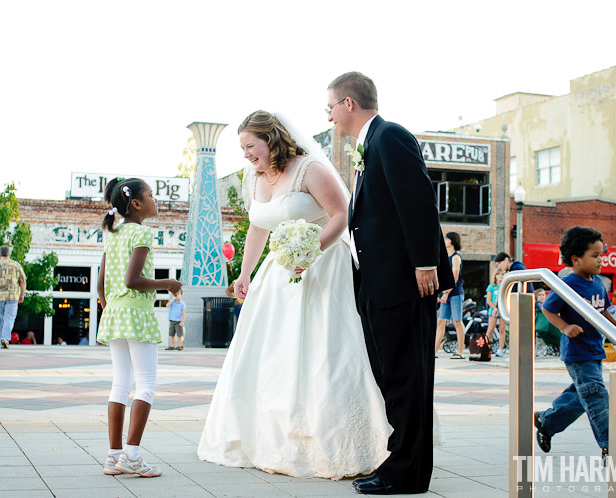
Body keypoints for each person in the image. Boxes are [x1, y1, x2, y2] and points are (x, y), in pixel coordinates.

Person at [198, 110, 403, 480]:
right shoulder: (254, 176)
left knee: (325, 353)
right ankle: (271, 439)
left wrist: (312, 251)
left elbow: (342, 214)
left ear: (271, 138)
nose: (246, 154)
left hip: (323, 267)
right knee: (274, 355)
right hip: (277, 276)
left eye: (250, 146)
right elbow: (259, 226)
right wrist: (244, 273)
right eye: (242, 148)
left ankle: (342, 442)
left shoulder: (310, 169)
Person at [327, 72, 455, 495]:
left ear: (348, 103)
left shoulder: (390, 136)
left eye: (330, 106)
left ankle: (406, 472)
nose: (328, 116)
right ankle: (401, 462)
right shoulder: (369, 144)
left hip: (404, 282)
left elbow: (417, 199)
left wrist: (424, 263)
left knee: (406, 378)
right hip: (377, 283)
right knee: (392, 377)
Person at [97, 177, 182, 478]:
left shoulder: (113, 233)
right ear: (136, 203)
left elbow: (101, 285)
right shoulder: (141, 234)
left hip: (116, 315)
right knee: (146, 384)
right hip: (136, 314)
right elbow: (132, 280)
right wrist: (167, 283)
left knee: (119, 384)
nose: (155, 200)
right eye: (151, 196)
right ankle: (132, 456)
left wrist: (111, 308)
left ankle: (113, 456)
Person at [534, 226, 616, 463]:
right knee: (596, 395)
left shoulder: (598, 282)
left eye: (602, 254)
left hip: (594, 349)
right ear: (576, 259)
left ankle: (546, 421)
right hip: (577, 351)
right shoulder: (567, 283)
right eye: (595, 255)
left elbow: (604, 312)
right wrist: (564, 327)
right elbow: (548, 308)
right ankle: (610, 445)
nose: (602, 260)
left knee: (583, 395)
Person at [0, 245, 27, 349]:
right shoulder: (16, 265)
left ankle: (2, 339)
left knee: (0, 319)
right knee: (9, 318)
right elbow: (23, 281)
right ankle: (5, 338)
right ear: (9, 254)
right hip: (12, 296)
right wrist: (22, 294)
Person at [434, 232, 465, 359]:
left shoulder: (456, 257)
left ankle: (461, 352)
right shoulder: (446, 257)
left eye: (447, 238)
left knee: (457, 321)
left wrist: (446, 293)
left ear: (452, 241)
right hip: (446, 294)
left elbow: (455, 277)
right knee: (441, 321)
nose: (445, 240)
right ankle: (433, 352)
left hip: (455, 293)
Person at [485, 269, 507, 357]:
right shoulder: (491, 287)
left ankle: (500, 349)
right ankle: (486, 347)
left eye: (502, 274)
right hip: (493, 311)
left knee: (502, 330)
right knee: (490, 330)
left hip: (502, 311)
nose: (500, 276)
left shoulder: (505, 286)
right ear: (495, 276)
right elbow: (489, 300)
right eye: (498, 274)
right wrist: (495, 308)